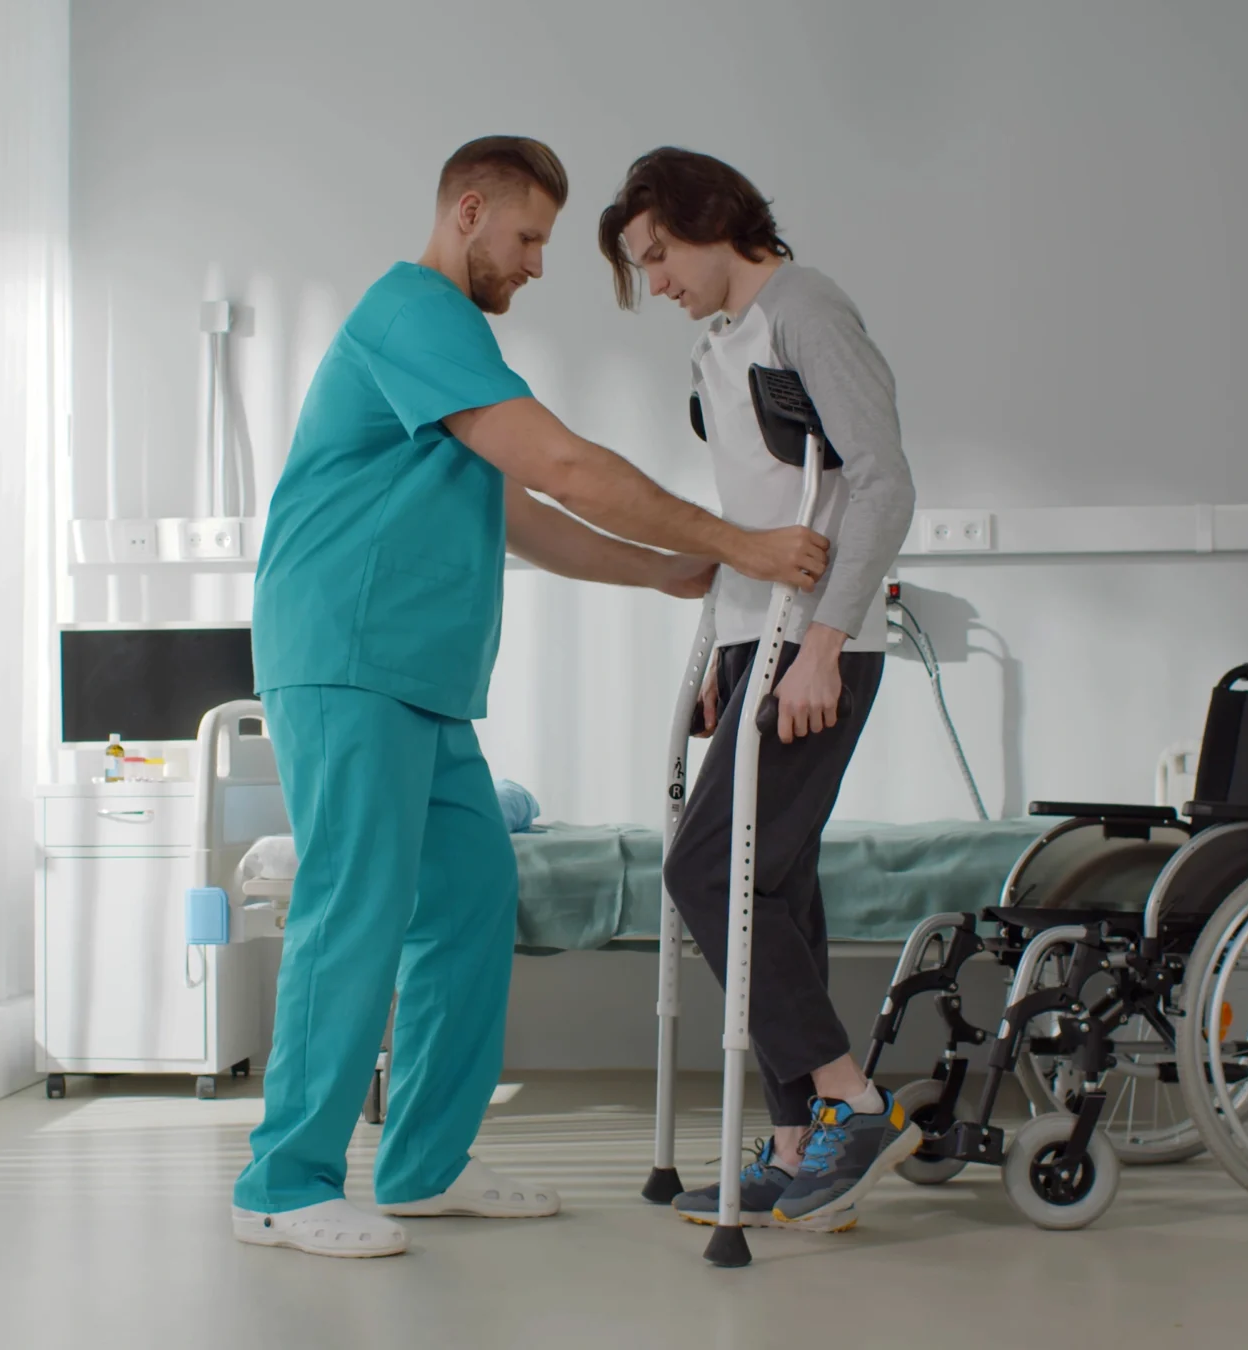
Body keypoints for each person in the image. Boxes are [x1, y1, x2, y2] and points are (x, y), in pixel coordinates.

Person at [233, 135, 833, 1260]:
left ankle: (422, 1166)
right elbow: (564, 466)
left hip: (420, 680)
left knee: (469, 898)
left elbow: (520, 513)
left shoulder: (451, 351)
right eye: (528, 237)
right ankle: (282, 1182)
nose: (538, 263)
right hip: (347, 657)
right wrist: (737, 540)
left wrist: (664, 569)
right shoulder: (412, 314)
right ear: (467, 212)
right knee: (354, 909)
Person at [598, 147, 919, 1234]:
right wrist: (722, 661)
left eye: (658, 256)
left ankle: (850, 1101)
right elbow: (759, 510)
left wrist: (823, 645)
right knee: (770, 888)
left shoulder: (805, 311)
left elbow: (881, 481)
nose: (655, 283)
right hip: (755, 640)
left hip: (815, 643)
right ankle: (795, 1145)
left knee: (706, 868)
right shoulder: (718, 345)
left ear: (711, 221)